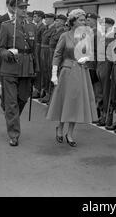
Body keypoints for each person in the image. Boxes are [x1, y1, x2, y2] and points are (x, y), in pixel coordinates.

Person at [47, 9, 97, 147]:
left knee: (75, 103)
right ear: (73, 21)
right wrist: (54, 73)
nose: (84, 22)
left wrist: (85, 58)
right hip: (67, 71)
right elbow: (57, 54)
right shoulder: (65, 35)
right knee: (66, 101)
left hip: (81, 72)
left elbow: (90, 53)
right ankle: (60, 128)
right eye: (81, 20)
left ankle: (70, 133)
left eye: (84, 20)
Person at [0, 0, 38, 146]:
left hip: (27, 67)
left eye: (26, 7)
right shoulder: (6, 26)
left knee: (23, 98)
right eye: (21, 8)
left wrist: (37, 68)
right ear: (14, 9)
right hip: (10, 67)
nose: (24, 10)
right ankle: (14, 134)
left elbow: (35, 50)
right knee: (12, 102)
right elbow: (0, 48)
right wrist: (7, 54)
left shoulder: (32, 26)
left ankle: (11, 116)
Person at [95, 17, 116, 126]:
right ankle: (101, 114)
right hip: (100, 65)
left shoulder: (113, 37)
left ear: (110, 25)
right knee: (101, 92)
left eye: (105, 25)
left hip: (107, 65)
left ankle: (107, 116)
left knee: (107, 92)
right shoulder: (103, 37)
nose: (103, 27)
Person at [39, 13, 57, 104]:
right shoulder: (47, 28)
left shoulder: (54, 29)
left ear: (52, 19)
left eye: (47, 19)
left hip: (49, 52)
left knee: (49, 72)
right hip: (44, 51)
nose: (45, 20)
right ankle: (45, 92)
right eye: (45, 19)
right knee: (44, 71)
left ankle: (49, 94)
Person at [32, 10, 46, 99]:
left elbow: (41, 41)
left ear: (40, 17)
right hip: (35, 48)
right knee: (35, 69)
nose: (34, 18)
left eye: (35, 16)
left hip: (39, 49)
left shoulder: (43, 27)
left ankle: (38, 89)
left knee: (39, 70)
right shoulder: (36, 26)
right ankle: (36, 88)